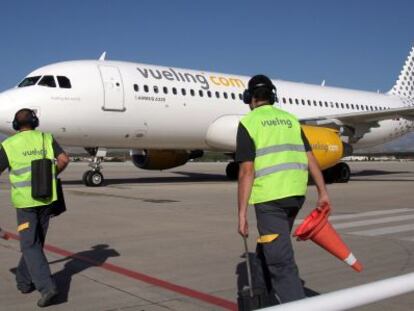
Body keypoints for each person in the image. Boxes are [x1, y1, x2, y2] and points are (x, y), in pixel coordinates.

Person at [236, 75, 331, 304]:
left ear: (250, 98)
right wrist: (322, 191)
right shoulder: (290, 120)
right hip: (296, 196)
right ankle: (261, 294)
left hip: (270, 200)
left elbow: (246, 172)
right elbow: (310, 158)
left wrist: (241, 214)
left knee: (281, 262)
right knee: (272, 244)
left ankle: (295, 304)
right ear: (273, 95)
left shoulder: (249, 123)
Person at [0, 108, 70, 307]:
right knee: (34, 244)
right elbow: (64, 159)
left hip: (26, 204)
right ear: (35, 121)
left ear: (15, 124)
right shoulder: (46, 138)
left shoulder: (9, 144)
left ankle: (47, 287)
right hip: (46, 200)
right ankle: (23, 281)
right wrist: (51, 174)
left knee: (29, 245)